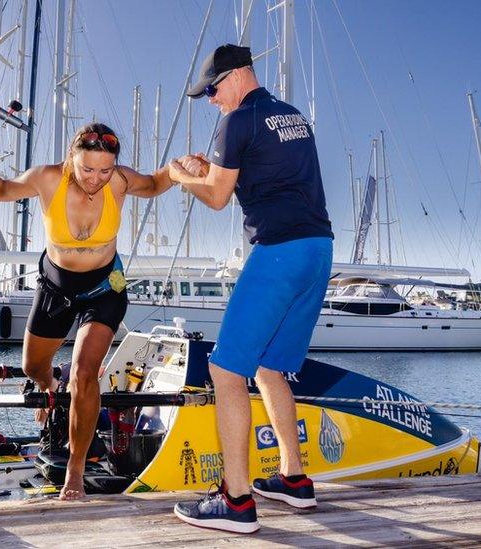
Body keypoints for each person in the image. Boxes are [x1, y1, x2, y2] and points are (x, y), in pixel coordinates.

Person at [168, 44, 334, 534]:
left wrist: (181, 176)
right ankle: (294, 479)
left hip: (279, 252)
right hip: (318, 249)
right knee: (269, 367)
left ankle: (236, 500)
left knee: (224, 369)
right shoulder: (293, 116)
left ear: (237, 75)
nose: (213, 100)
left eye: (214, 90)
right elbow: (259, 175)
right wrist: (210, 172)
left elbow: (217, 197)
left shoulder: (238, 119)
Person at [0, 122, 178, 499]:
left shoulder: (120, 182)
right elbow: (1, 189)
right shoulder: (47, 179)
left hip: (103, 290)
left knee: (84, 373)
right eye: (87, 168)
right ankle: (50, 385)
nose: (96, 178)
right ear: (70, 159)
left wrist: (178, 171)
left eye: (105, 169)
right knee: (33, 366)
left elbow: (156, 183)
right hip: (56, 289)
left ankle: (75, 472)